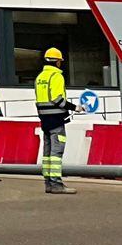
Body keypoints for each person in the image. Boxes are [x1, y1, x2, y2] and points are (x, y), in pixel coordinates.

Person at [34, 46, 71, 193]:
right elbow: (57, 99)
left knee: (47, 153)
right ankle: (56, 184)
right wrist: (75, 107)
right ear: (57, 62)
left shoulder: (40, 78)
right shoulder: (56, 76)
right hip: (56, 120)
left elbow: (39, 100)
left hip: (44, 121)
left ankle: (48, 183)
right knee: (56, 153)